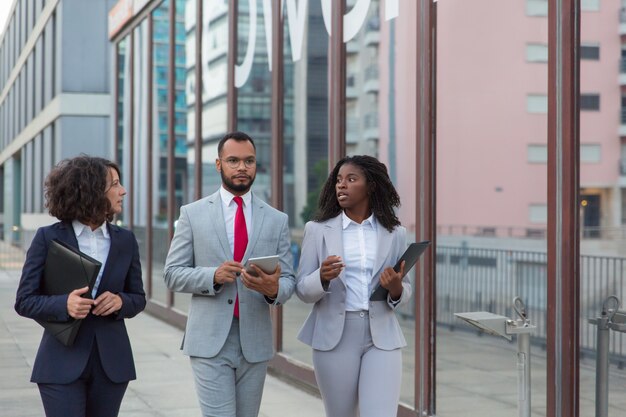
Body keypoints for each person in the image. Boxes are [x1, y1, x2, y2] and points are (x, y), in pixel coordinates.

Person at [164, 131, 296, 417]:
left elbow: (289, 283)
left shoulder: (276, 220)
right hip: (209, 341)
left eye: (249, 161)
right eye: (233, 160)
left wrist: (272, 288)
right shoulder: (192, 214)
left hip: (255, 342)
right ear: (218, 164)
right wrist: (212, 276)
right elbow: (172, 274)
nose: (242, 167)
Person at [15, 155, 146, 417]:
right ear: (92, 190)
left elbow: (138, 297)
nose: (123, 191)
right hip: (60, 363)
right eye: (115, 184)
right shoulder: (48, 238)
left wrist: (121, 302)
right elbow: (24, 301)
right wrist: (64, 304)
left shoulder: (126, 240)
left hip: (112, 365)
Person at [296, 155, 411, 417]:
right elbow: (302, 289)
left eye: (351, 179)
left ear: (370, 185)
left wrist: (396, 289)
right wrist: (322, 277)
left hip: (381, 337)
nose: (341, 186)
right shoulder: (317, 230)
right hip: (335, 337)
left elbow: (405, 290)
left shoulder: (395, 233)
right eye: (338, 180)